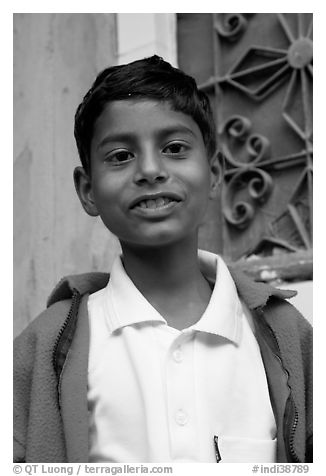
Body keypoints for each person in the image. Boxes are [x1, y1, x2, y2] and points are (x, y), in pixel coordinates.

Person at [13, 55, 312, 464]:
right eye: (120, 155)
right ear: (87, 190)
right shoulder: (44, 348)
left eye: (174, 148)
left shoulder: (286, 336)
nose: (150, 170)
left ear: (215, 173)